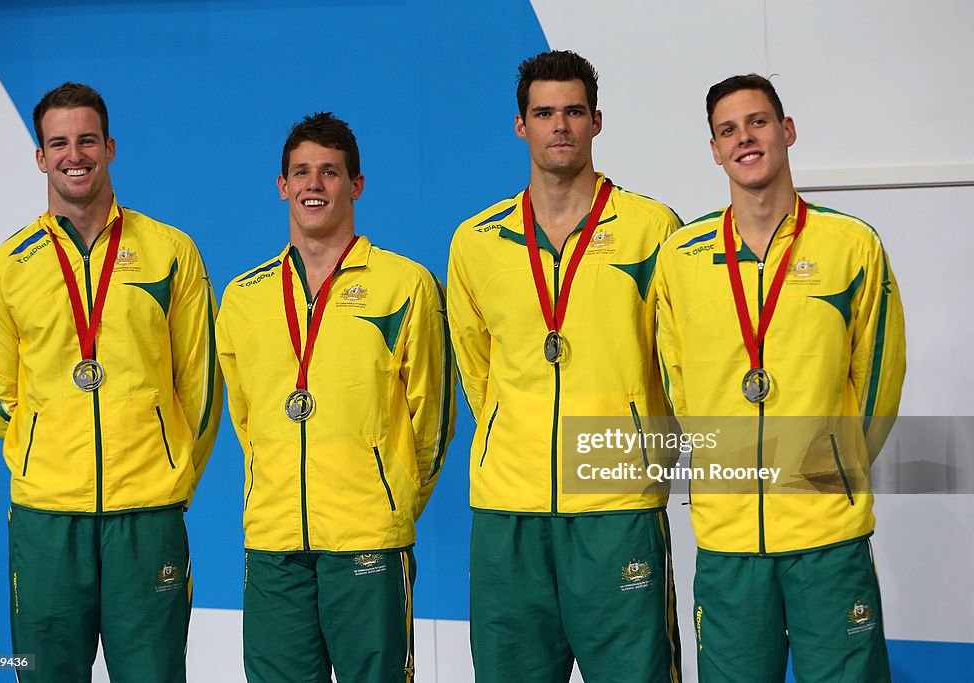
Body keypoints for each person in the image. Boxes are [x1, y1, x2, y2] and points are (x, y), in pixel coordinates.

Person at [0, 82, 222, 682]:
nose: (73, 154)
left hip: (148, 513)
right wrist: (46, 450)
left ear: (109, 147)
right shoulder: (4, 269)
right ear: (40, 157)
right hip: (47, 520)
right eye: (58, 143)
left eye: (86, 140)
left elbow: (202, 388)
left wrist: (170, 475)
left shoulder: (171, 253)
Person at [654, 74, 906, 682]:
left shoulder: (851, 245)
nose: (745, 138)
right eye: (728, 129)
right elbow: (678, 385)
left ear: (787, 131)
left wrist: (832, 469)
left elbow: (878, 381)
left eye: (758, 122)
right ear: (714, 150)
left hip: (827, 534)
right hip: (728, 539)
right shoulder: (681, 260)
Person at [447, 50, 683, 682]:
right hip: (509, 512)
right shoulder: (476, 242)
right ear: (520, 125)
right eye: (544, 112)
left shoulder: (652, 229)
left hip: (617, 502)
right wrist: (508, 432)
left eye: (574, 111)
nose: (560, 125)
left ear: (597, 121)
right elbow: (478, 369)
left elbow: (679, 360)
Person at [216, 112, 455, 683]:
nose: (314, 185)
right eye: (301, 172)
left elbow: (433, 417)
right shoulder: (243, 297)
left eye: (329, 172)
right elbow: (245, 416)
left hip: (367, 538)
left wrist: (386, 498)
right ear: (282, 187)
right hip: (273, 542)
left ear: (356, 185)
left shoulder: (405, 285)